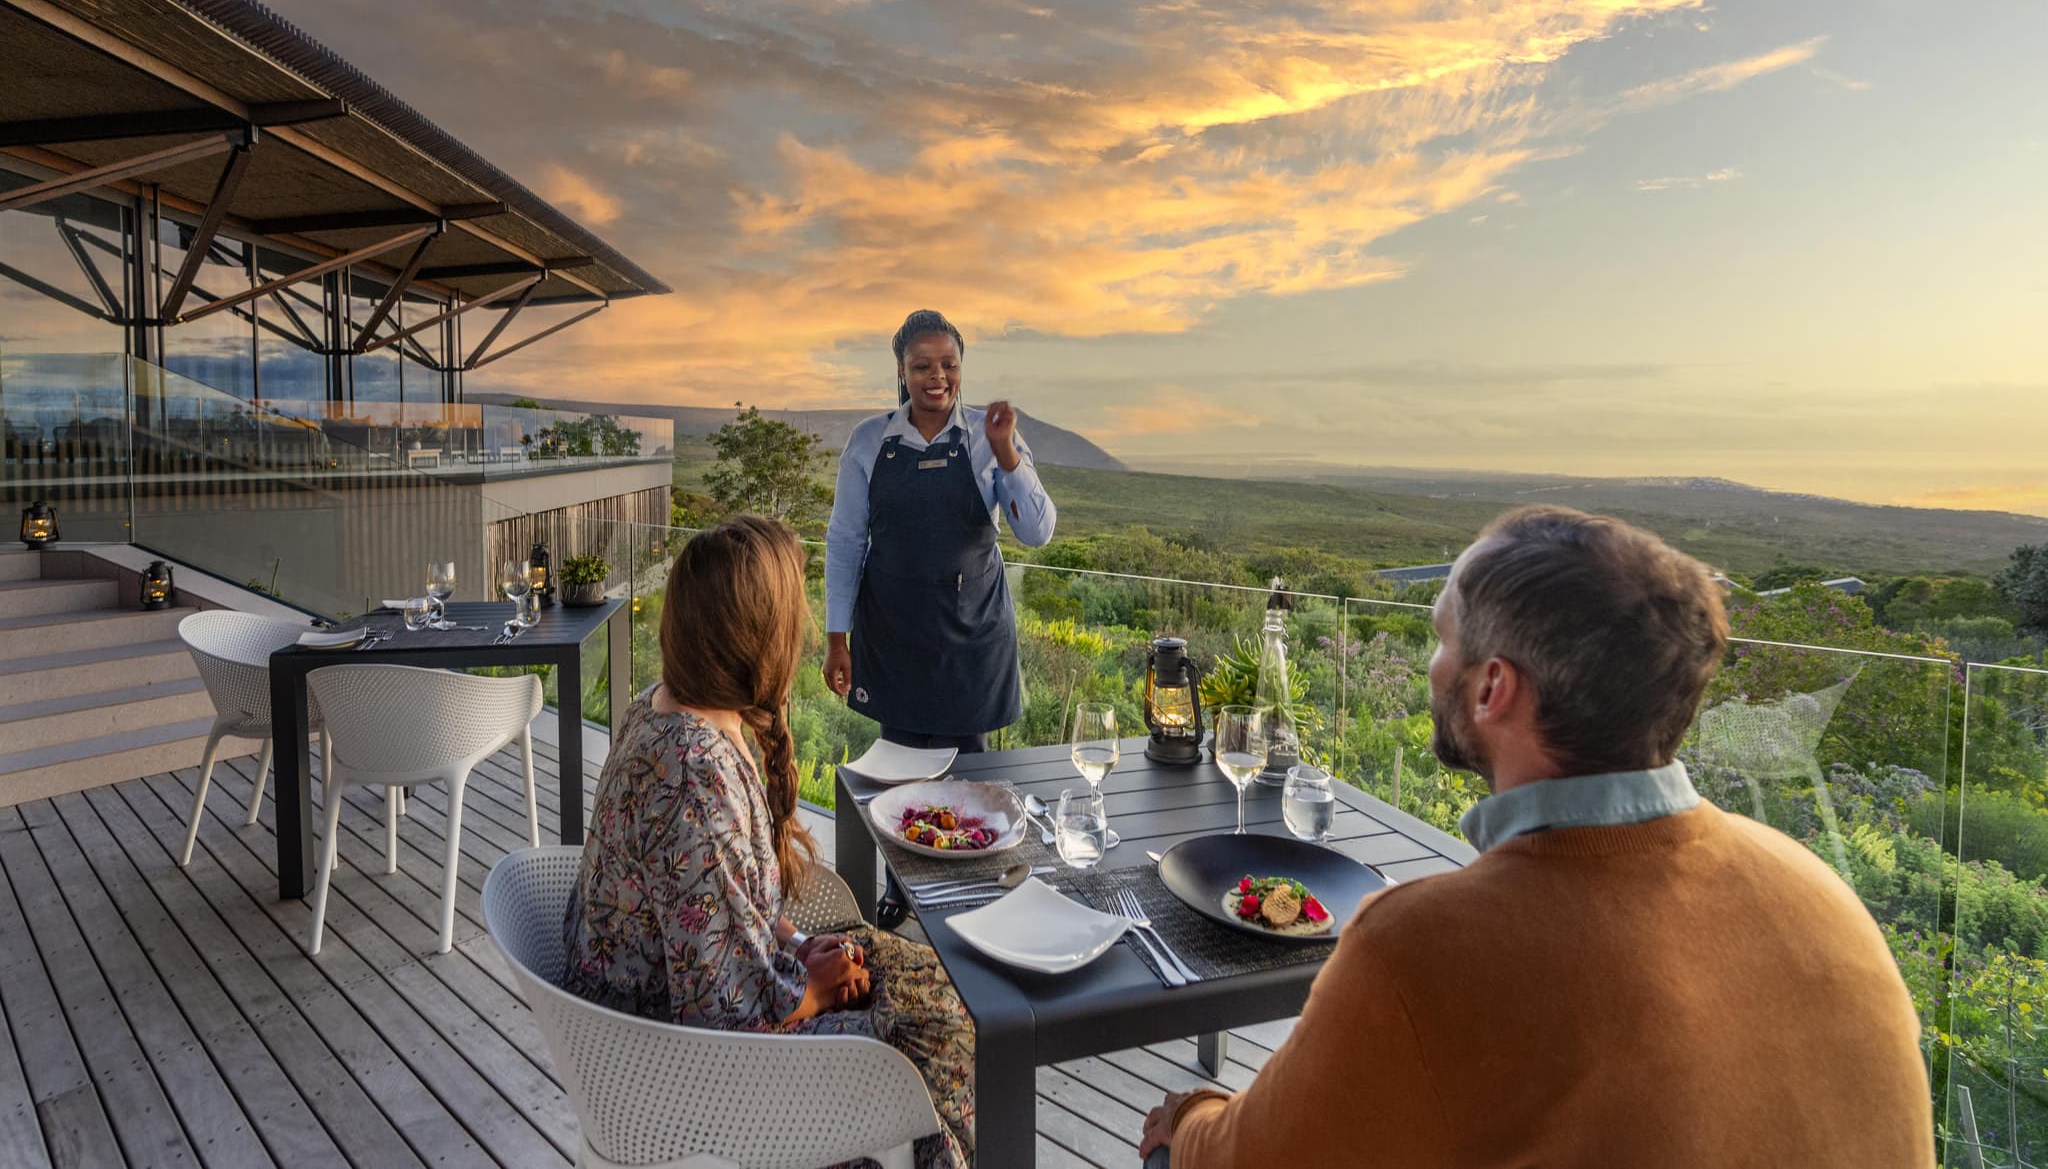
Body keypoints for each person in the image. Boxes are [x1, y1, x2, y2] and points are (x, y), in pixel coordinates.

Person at [1140, 505, 1935, 1168]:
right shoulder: (1820, 892)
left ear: (1492, 688)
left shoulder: (1424, 946)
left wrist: (1196, 1116)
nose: (1431, 665)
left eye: (1442, 638)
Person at [563, 515, 974, 1169]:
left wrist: (790, 943)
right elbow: (723, 1018)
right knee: (945, 1033)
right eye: (792, 618)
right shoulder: (695, 773)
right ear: (755, 637)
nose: (803, 632)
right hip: (675, 1075)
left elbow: (709, 908)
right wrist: (811, 988)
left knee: (933, 982)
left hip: (672, 1021)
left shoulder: (661, 707)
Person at [823, 309, 1056, 753]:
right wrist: (837, 639)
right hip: (893, 636)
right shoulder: (868, 441)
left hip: (973, 638)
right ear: (901, 370)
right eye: (923, 365)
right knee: (898, 774)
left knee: (970, 784)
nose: (938, 376)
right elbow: (846, 542)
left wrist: (1007, 452)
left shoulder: (990, 438)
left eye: (949, 364)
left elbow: (1038, 531)